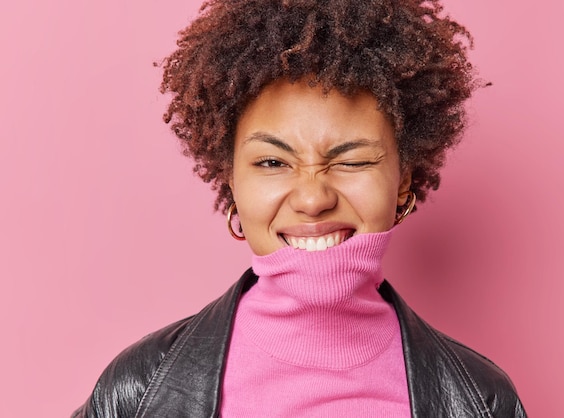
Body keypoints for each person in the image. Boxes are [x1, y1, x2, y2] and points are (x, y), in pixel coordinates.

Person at [73, 0, 527, 416]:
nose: (313, 199)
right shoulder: (139, 388)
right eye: (272, 162)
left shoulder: (480, 400)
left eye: (352, 161)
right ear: (232, 180)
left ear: (403, 179)